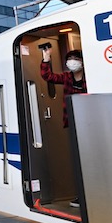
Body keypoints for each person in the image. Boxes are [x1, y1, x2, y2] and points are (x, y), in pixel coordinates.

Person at [40, 46, 87, 207]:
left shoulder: (91, 77)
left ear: (82, 61)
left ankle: (88, 195)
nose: (72, 63)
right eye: (70, 60)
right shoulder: (67, 77)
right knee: (79, 160)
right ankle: (82, 196)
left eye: (75, 60)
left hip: (90, 123)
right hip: (73, 122)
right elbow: (48, 76)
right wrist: (46, 58)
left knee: (88, 159)